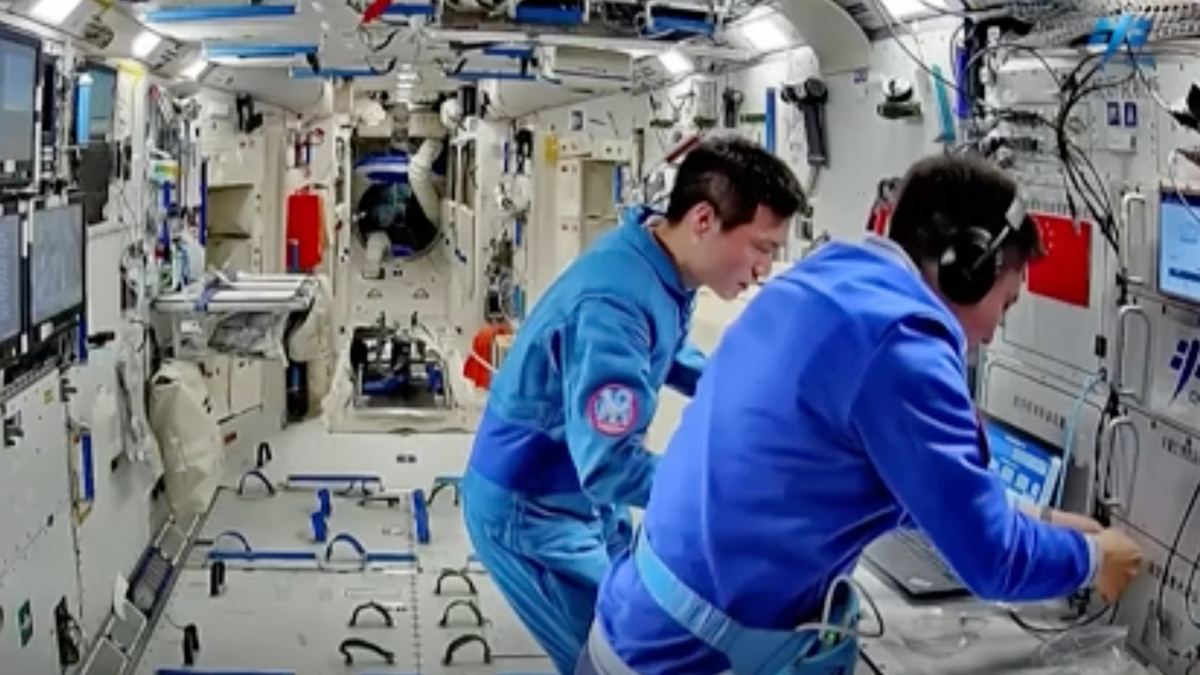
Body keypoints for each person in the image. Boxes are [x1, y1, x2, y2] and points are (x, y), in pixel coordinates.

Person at [579, 154, 1145, 675]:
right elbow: (989, 560)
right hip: (686, 658)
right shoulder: (904, 344)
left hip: (635, 621)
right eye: (1006, 301)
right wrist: (1094, 558)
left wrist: (1034, 517)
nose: (995, 330)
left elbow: (894, 477)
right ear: (967, 268)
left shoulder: (825, 281)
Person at [461, 136, 808, 674]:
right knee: (610, 660)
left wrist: (750, 395)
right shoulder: (615, 302)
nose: (764, 268)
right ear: (702, 220)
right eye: (761, 247)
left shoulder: (659, 263)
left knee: (635, 629)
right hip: (529, 508)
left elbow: (665, 350)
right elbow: (610, 466)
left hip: (577, 495)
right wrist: (731, 492)